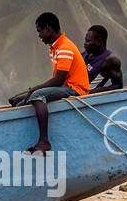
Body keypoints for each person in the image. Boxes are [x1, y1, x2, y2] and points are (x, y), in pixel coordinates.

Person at [9, 11, 89, 153]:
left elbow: (58, 80)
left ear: (48, 29)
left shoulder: (65, 47)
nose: (39, 35)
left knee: (37, 95)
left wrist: (34, 89)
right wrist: (24, 96)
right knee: (19, 102)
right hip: (65, 86)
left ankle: (44, 141)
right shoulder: (54, 48)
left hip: (75, 89)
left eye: (40, 31)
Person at [83, 25, 124, 91]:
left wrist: (98, 90)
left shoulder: (111, 60)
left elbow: (118, 85)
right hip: (73, 88)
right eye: (85, 40)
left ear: (99, 41)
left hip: (85, 94)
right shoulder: (84, 54)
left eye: (88, 41)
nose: (85, 44)